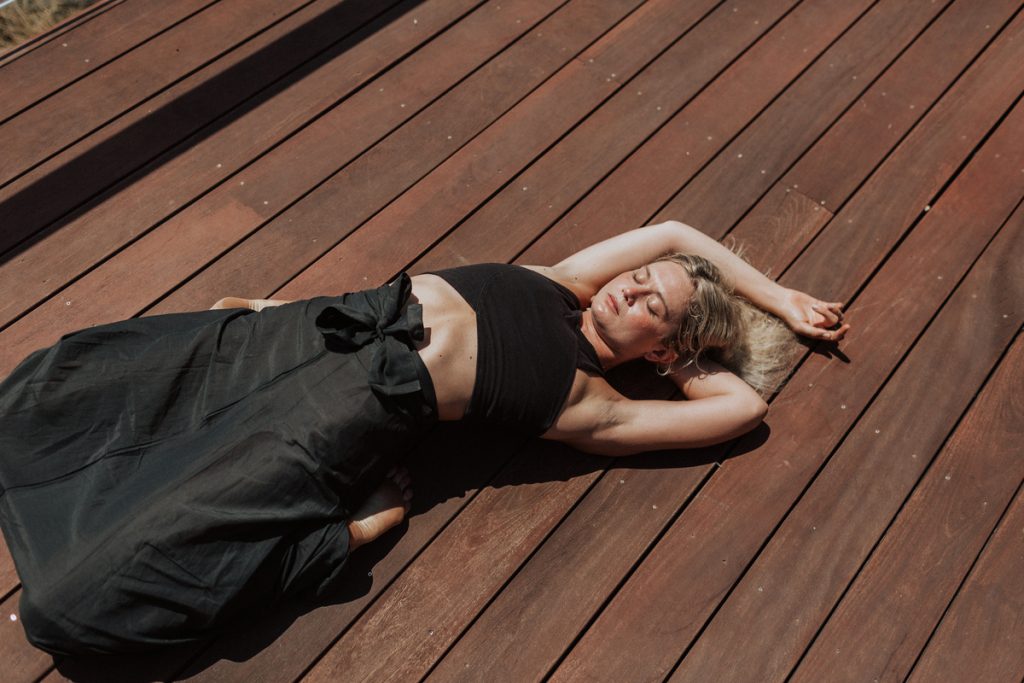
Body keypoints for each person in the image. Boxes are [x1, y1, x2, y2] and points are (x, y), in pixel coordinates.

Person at [0, 221, 847, 655]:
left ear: (661, 348)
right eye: (635, 281)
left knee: (73, 599)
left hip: (325, 421)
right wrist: (775, 292)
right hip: (304, 333)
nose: (628, 289)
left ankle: (356, 527)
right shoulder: (562, 282)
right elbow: (675, 233)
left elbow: (742, 408)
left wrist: (686, 354)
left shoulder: (592, 405)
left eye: (650, 306)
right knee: (57, 387)